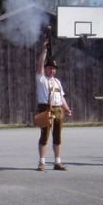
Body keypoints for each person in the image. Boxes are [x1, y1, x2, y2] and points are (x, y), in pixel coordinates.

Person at [36, 41, 72, 171]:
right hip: (45, 108)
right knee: (44, 136)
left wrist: (67, 108)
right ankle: (42, 162)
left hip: (58, 110)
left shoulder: (57, 81)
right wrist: (44, 50)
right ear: (45, 69)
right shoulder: (41, 79)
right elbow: (40, 64)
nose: (52, 70)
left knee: (57, 136)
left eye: (54, 69)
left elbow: (61, 97)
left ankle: (58, 162)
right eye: (50, 68)